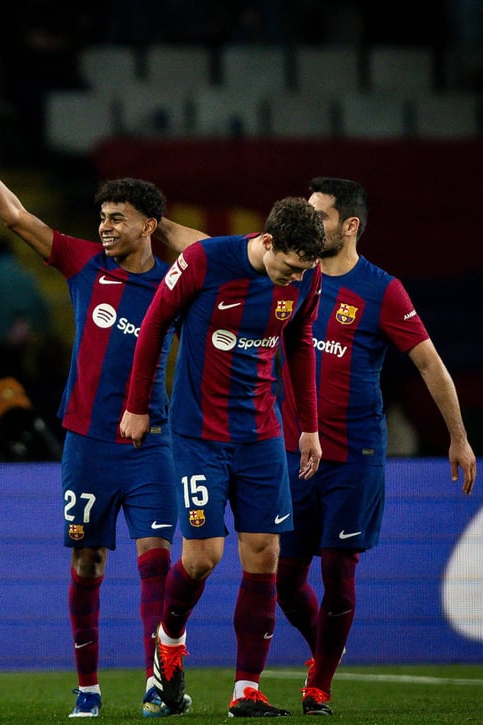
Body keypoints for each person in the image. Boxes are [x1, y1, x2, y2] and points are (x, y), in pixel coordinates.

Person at [0, 99, 207, 718]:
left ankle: (154, 682)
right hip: (86, 441)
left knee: (156, 561)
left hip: (150, 444)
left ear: (149, 225)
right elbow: (14, 216)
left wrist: (168, 232)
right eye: (103, 216)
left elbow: (216, 252)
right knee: (88, 560)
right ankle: (87, 687)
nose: (106, 226)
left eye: (119, 218)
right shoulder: (84, 263)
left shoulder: (176, 279)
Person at [275, 177, 477, 716]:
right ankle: (325, 649)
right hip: (292, 456)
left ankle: (320, 682)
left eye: (319, 214)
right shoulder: (290, 274)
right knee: (284, 581)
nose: (309, 221)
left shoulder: (383, 290)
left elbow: (430, 363)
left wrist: (457, 437)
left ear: (349, 226)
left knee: (338, 572)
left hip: (354, 456)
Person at [120, 196, 328, 718]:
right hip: (200, 434)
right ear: (267, 241)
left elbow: (300, 342)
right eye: (290, 267)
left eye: (304, 271)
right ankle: (168, 641)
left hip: (261, 434)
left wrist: (310, 427)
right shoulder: (207, 261)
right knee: (203, 556)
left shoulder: (307, 276)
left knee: (265, 556)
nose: (294, 279)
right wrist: (137, 406)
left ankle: (246, 691)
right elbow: (153, 327)